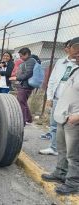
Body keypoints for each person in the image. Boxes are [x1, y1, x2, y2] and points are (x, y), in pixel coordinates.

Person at [41, 37, 79, 195]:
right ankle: (60, 173)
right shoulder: (76, 69)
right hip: (64, 117)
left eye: (77, 53)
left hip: (74, 119)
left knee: (73, 154)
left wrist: (77, 116)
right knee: (62, 149)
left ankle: (73, 182)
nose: (74, 56)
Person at [39, 40, 72, 156]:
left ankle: (70, 151)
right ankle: (54, 148)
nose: (67, 49)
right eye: (67, 47)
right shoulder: (61, 62)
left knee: (70, 127)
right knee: (54, 124)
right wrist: (49, 97)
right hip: (58, 99)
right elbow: (52, 80)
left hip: (73, 102)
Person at [16, 47, 36, 126]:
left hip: (26, 86)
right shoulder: (28, 61)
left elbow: (28, 74)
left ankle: (23, 120)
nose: (20, 58)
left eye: (21, 56)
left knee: (21, 103)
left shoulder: (30, 61)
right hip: (25, 85)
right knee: (23, 102)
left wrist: (17, 78)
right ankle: (28, 119)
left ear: (27, 54)